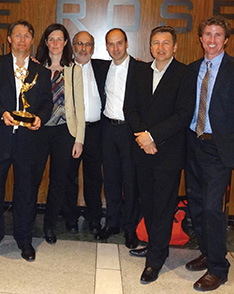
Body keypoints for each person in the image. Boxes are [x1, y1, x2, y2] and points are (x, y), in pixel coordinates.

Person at [0, 19, 52, 263]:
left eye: (27, 35)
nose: (22, 39)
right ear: (9, 39)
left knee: (27, 193)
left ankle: (24, 240)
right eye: (17, 35)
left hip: (28, 142)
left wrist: (40, 117)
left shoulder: (41, 72)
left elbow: (46, 104)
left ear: (32, 40)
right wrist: (2, 113)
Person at [124, 26, 195, 283]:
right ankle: (155, 245)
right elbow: (129, 108)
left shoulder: (184, 74)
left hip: (168, 152)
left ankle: (155, 260)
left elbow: (183, 114)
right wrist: (144, 138)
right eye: (156, 43)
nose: (161, 47)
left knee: (164, 207)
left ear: (175, 47)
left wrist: (152, 137)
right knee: (149, 204)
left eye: (166, 43)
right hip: (142, 150)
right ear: (150, 46)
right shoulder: (140, 71)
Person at [185, 15, 234, 292]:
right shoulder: (193, 70)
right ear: (200, 38)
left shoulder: (232, 69)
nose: (212, 40)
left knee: (213, 209)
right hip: (193, 143)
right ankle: (207, 251)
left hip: (218, 148)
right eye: (207, 35)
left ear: (225, 40)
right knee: (197, 205)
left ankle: (218, 268)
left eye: (218, 35)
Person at [33, 23, 85, 244]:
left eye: (59, 39)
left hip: (65, 132)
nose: (55, 43)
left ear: (65, 43)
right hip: (38, 131)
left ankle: (50, 226)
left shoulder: (74, 70)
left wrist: (79, 140)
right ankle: (27, 220)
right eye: (51, 39)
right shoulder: (35, 67)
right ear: (46, 42)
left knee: (58, 181)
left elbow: (80, 108)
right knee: (32, 178)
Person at [97, 28, 140, 249]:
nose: (115, 48)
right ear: (106, 47)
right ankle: (112, 223)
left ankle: (130, 228)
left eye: (119, 43)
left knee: (130, 181)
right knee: (111, 179)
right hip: (108, 129)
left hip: (130, 132)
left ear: (126, 43)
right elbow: (77, 61)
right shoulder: (102, 67)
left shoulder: (140, 68)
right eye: (111, 44)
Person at [61, 31, 104, 236]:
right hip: (71, 131)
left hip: (95, 130)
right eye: (80, 43)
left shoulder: (103, 67)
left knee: (94, 177)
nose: (83, 48)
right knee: (69, 175)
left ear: (93, 48)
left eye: (88, 44)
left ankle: (94, 217)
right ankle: (69, 216)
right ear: (73, 45)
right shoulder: (64, 67)